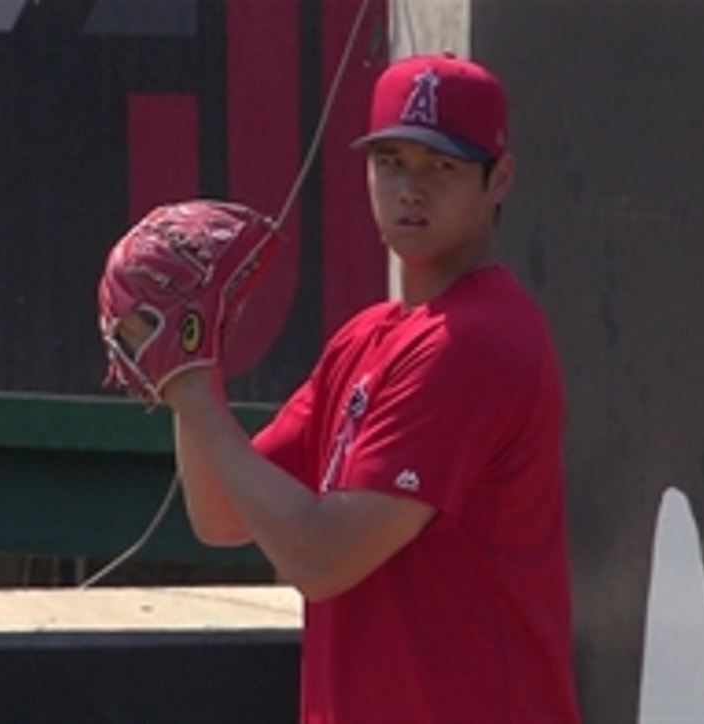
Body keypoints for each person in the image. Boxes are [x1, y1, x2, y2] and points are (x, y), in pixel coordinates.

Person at [116, 53, 580, 723]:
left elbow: (320, 556)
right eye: (391, 161)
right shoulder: (368, 337)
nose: (410, 188)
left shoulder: (476, 339)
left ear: (499, 179)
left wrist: (187, 389)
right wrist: (198, 357)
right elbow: (221, 516)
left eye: (440, 166)